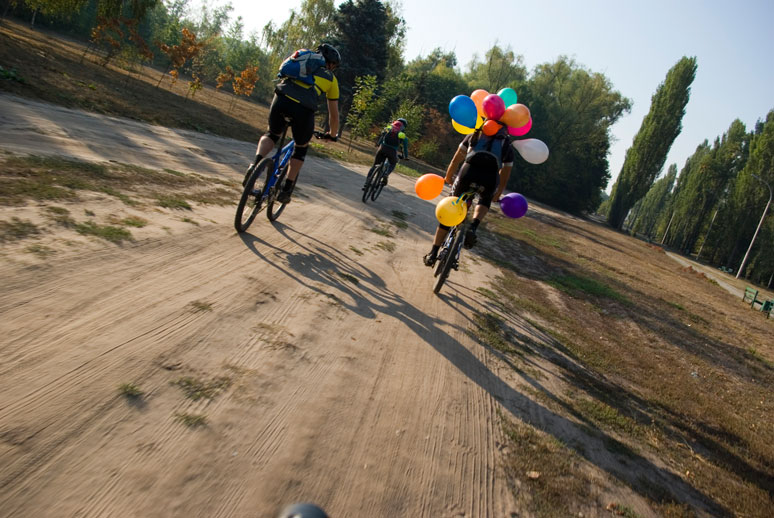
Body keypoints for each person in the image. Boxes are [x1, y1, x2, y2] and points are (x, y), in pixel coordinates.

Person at [244, 43, 341, 204]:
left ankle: (254, 165)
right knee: (301, 148)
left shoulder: (302, 59)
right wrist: (332, 135)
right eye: (334, 66)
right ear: (331, 64)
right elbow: (334, 116)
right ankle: (286, 189)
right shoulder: (331, 79)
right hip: (303, 109)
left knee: (272, 134)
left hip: (281, 98)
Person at [423, 123, 514, 267]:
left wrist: (448, 176)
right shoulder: (506, 144)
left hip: (469, 172)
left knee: (450, 210)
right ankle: (473, 226)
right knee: (484, 199)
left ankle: (433, 253)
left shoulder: (475, 135)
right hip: (490, 178)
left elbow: (456, 159)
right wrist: (498, 192)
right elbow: (506, 173)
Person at [363, 118, 409, 189]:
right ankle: (386, 174)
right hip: (392, 152)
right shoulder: (402, 135)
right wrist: (405, 156)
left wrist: (379, 143)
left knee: (374, 166)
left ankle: (367, 182)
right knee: (393, 163)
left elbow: (382, 136)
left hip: (382, 149)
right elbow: (405, 148)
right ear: (404, 127)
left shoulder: (388, 128)